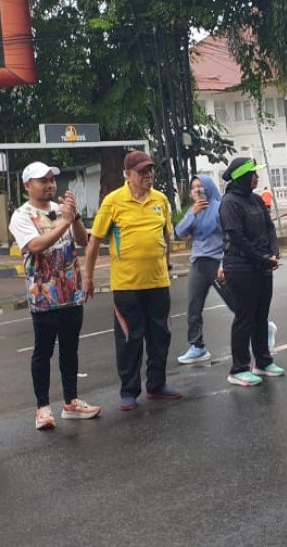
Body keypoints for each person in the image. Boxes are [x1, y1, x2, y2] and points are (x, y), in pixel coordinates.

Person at [83, 150, 182, 411]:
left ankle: (157, 385)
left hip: (159, 282)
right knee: (130, 339)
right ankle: (129, 391)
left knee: (160, 336)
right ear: (128, 174)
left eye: (150, 170)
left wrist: (167, 261)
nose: (148, 175)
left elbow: (166, 235)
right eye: (142, 171)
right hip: (127, 286)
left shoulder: (160, 199)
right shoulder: (113, 202)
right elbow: (94, 242)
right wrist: (88, 277)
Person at [8, 162, 101, 430]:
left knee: (70, 348)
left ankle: (71, 402)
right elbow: (36, 245)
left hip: (71, 291)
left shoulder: (63, 211)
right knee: (43, 351)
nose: (49, 184)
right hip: (44, 295)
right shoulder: (22, 215)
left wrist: (77, 217)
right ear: (28, 186)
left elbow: (83, 241)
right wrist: (65, 223)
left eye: (51, 179)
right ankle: (42, 408)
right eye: (42, 180)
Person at [218, 157, 283, 386]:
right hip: (241, 267)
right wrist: (263, 259)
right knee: (245, 317)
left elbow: (269, 227)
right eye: (253, 174)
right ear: (243, 177)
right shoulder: (229, 202)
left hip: (263, 265)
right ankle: (238, 368)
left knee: (261, 316)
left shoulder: (255, 199)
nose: (257, 177)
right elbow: (237, 238)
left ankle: (263, 362)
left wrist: (274, 253)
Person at [173, 174, 235, 364]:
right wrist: (193, 213)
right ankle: (197, 346)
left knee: (234, 302)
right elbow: (180, 233)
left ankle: (262, 328)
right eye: (194, 188)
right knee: (193, 306)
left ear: (209, 187)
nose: (197, 190)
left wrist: (225, 264)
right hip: (198, 263)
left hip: (216, 263)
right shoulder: (193, 211)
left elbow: (229, 238)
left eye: (201, 186)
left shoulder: (220, 208)